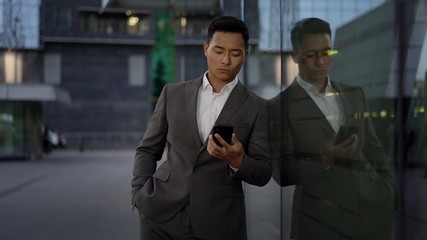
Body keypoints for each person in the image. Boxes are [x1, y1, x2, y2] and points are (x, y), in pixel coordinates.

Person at [131, 16, 272, 240]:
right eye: (218, 51)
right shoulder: (172, 94)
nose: (226, 60)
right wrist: (140, 193)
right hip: (161, 214)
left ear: (246, 54)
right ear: (206, 49)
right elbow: (148, 149)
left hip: (220, 221)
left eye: (235, 53)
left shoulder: (258, 107)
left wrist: (238, 161)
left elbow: (264, 171)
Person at [269, 18, 396, 239]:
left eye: (327, 52)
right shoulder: (280, 106)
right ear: (295, 57)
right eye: (311, 55)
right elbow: (282, 171)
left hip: (372, 211)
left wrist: (389, 189)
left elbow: (375, 148)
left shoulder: (354, 94)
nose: (321, 61)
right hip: (321, 220)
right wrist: (324, 159)